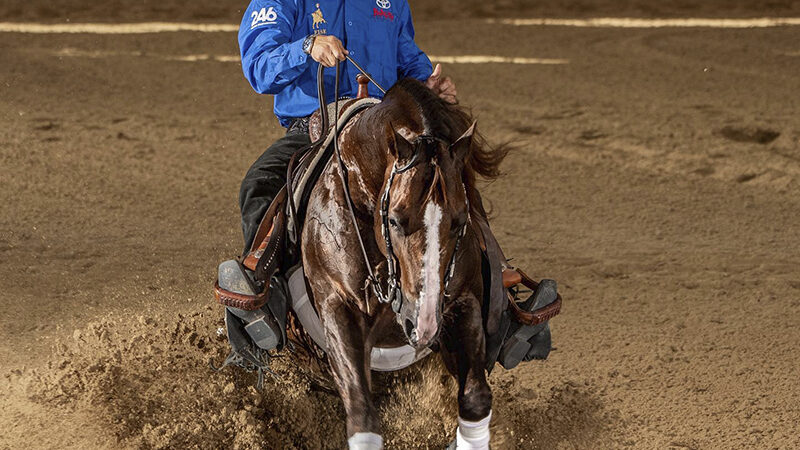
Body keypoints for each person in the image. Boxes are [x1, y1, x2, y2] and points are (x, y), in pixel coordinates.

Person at [237, 0, 457, 253]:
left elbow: (408, 62)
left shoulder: (393, 3)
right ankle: (264, 273)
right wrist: (306, 46)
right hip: (317, 127)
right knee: (261, 183)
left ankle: (488, 265)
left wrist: (427, 89)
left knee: (449, 163)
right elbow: (259, 67)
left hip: (385, 124)